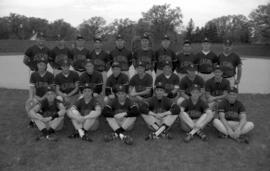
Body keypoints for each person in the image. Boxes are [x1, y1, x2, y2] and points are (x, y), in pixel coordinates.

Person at [25, 57, 54, 128]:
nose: (41, 66)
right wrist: (31, 97)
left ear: (46, 66)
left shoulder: (50, 75)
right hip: (37, 96)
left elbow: (51, 90)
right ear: (37, 65)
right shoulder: (33, 75)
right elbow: (31, 87)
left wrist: (43, 98)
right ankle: (33, 120)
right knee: (28, 104)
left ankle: (38, 115)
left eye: (43, 65)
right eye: (40, 65)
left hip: (47, 96)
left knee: (44, 105)